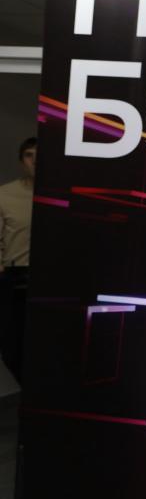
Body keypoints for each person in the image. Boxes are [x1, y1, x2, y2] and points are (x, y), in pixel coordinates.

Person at [0, 137, 36, 382]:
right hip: (14, 278)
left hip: (53, 276)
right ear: (22, 161)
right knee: (12, 349)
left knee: (48, 344)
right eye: (29, 155)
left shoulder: (62, 193)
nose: (35, 161)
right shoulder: (5, 194)